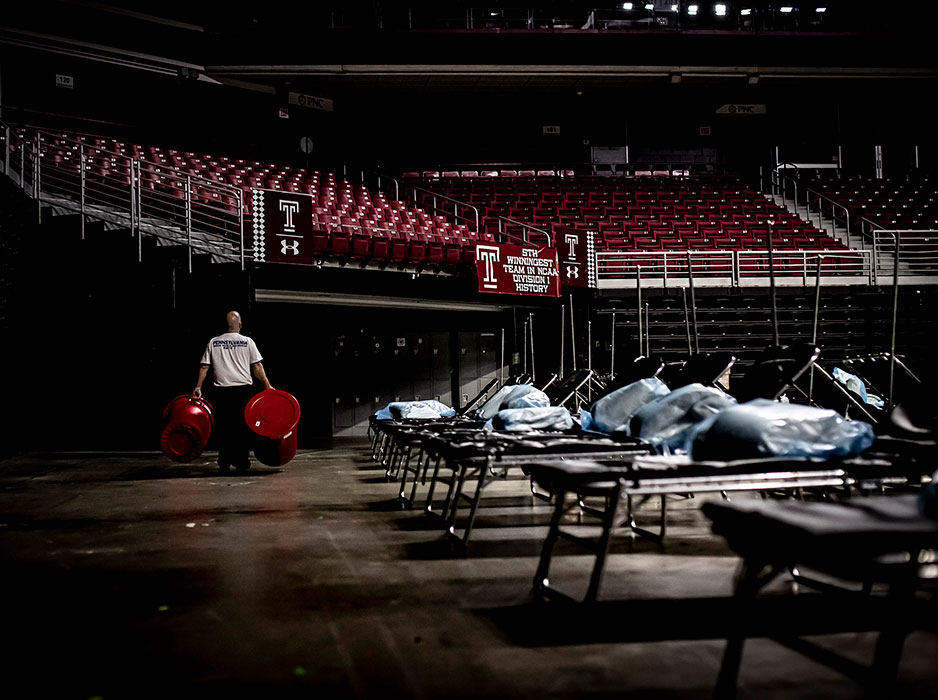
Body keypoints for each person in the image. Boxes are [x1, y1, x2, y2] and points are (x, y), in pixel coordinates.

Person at [193, 311, 272, 473]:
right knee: (242, 428)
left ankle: (224, 462)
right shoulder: (247, 342)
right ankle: (241, 462)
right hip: (243, 392)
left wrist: (198, 387)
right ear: (240, 325)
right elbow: (257, 366)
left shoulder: (214, 342)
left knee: (224, 427)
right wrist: (267, 386)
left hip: (221, 393)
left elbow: (204, 367)